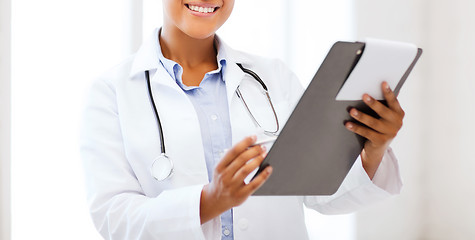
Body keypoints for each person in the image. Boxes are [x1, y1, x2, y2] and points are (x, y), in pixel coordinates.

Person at [80, 0, 404, 239]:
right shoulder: (111, 93)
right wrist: (210, 200)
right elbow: (115, 218)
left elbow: (319, 192)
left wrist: (372, 150)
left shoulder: (274, 78)